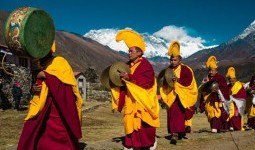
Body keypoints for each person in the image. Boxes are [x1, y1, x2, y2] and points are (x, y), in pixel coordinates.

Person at [17, 41, 83, 150]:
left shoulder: (60, 62)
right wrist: (35, 88)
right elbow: (42, 87)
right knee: (39, 136)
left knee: (62, 140)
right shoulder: (43, 66)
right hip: (44, 108)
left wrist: (45, 75)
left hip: (59, 110)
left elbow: (66, 86)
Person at [111, 29, 160, 150]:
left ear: (139, 52)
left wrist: (130, 77)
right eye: (129, 51)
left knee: (143, 123)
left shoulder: (145, 65)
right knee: (130, 120)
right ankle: (131, 143)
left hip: (142, 99)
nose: (129, 53)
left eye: (131, 51)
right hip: (130, 98)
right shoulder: (127, 65)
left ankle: (149, 142)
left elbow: (148, 82)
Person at [159, 41, 198, 144]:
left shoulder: (186, 69)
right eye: (171, 59)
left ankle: (176, 134)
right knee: (172, 114)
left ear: (180, 59)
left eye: (175, 60)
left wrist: (178, 80)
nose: (173, 61)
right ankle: (175, 132)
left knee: (178, 114)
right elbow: (165, 82)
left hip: (181, 96)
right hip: (171, 95)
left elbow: (188, 82)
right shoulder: (168, 70)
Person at [199, 56, 230, 133]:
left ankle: (215, 127)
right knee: (210, 113)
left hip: (217, 99)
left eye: (212, 70)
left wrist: (217, 90)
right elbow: (202, 88)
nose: (210, 72)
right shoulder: (206, 79)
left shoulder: (220, 78)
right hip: (208, 100)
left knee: (216, 113)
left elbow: (224, 88)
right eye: (209, 70)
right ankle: (215, 127)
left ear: (216, 70)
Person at [226, 67, 246, 131]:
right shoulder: (228, 86)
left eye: (232, 80)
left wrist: (233, 97)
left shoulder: (239, 85)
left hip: (237, 104)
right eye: (230, 80)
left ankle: (236, 126)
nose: (231, 82)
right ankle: (231, 126)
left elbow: (242, 95)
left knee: (236, 114)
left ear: (235, 79)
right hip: (229, 104)